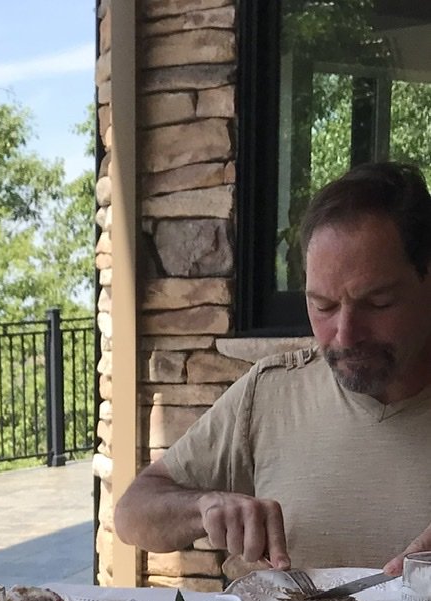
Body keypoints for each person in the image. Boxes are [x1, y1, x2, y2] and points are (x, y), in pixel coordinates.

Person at [114, 160, 431, 575]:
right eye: (323, 306)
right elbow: (132, 513)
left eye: (377, 303)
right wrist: (204, 506)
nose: (345, 335)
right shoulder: (271, 392)